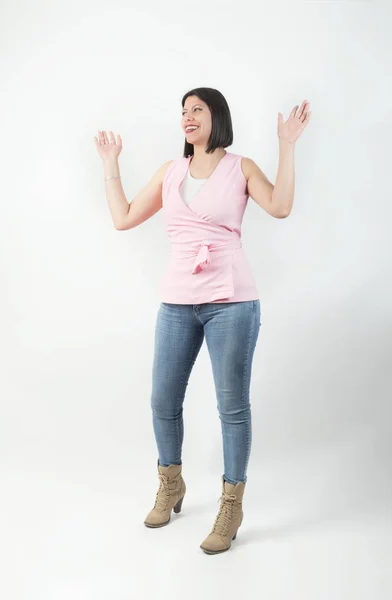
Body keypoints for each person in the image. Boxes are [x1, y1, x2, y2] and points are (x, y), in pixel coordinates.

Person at [94, 87, 311, 555]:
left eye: (197, 110)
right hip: (177, 301)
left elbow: (280, 206)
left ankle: (231, 504)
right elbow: (124, 216)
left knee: (231, 408)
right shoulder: (171, 172)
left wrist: (287, 146)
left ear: (217, 117)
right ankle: (171, 485)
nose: (188, 117)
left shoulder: (241, 167)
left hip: (231, 301)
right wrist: (110, 163)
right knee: (162, 400)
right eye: (183, 111)